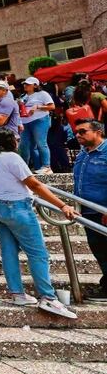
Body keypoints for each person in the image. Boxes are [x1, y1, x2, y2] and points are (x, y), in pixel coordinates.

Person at [0, 130, 77, 318]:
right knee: (38, 253)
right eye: (16, 138)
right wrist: (63, 205)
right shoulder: (12, 158)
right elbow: (35, 185)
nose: (18, 141)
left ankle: (17, 293)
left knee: (9, 251)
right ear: (10, 141)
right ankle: (47, 297)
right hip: (15, 207)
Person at [73, 119, 107, 301]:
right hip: (88, 211)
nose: (78, 135)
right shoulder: (83, 154)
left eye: (83, 131)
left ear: (98, 132)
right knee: (99, 249)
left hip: (103, 210)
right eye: (77, 132)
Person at [18, 76, 55, 174]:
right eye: (25, 84)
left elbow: (52, 106)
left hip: (40, 120)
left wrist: (38, 106)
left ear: (35, 85)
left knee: (41, 143)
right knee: (25, 145)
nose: (25, 85)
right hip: (25, 122)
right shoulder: (23, 96)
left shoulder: (43, 94)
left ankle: (46, 166)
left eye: (28, 84)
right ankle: (31, 167)